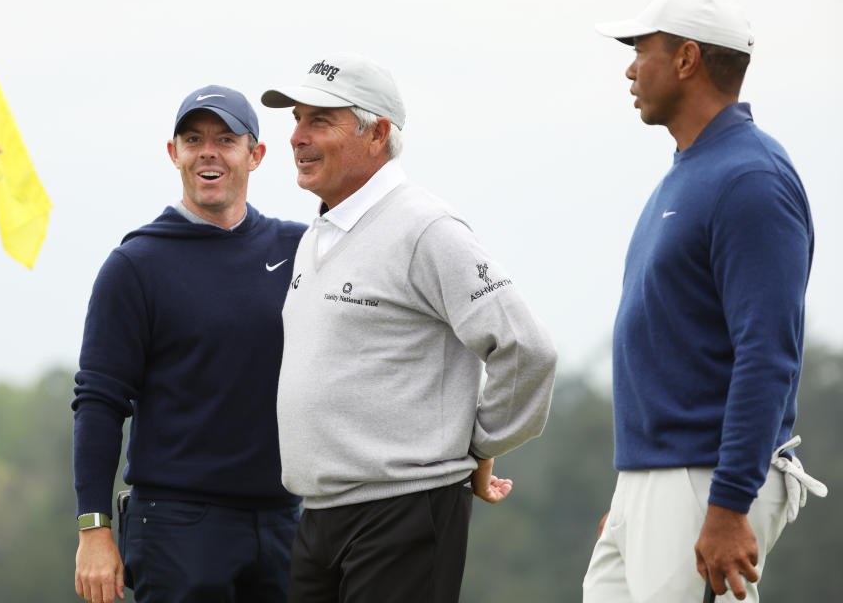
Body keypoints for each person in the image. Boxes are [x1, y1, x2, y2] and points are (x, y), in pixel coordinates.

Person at [260, 53, 557, 602]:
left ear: (377, 134)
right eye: (296, 120)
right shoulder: (316, 236)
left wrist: (474, 444)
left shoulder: (427, 229)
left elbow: (526, 348)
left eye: (319, 121)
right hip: (320, 516)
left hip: (404, 513)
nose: (297, 137)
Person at [585, 0, 826, 603]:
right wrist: (633, 495)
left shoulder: (750, 178)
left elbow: (768, 353)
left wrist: (727, 504)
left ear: (687, 59)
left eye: (641, 50)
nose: (630, 69)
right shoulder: (692, 171)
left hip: (708, 480)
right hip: (653, 479)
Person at [72, 85, 307, 603]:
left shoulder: (300, 250)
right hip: (178, 526)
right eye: (193, 138)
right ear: (173, 153)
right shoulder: (136, 264)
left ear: (256, 155)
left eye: (226, 139)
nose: (208, 151)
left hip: (284, 521)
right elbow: (99, 401)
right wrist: (94, 529)